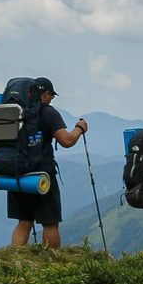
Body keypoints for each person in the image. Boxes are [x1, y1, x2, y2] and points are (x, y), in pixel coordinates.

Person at [7, 78, 88, 250]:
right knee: (50, 223)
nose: (51, 100)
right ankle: (52, 264)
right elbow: (66, 141)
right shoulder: (48, 113)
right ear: (45, 94)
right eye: (51, 96)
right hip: (41, 176)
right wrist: (79, 129)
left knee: (24, 222)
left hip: (16, 172)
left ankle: (15, 260)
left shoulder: (16, 112)